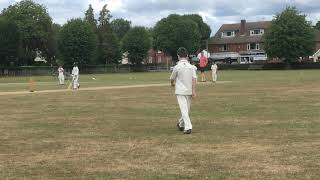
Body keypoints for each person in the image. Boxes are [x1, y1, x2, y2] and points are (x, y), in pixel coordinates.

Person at [170, 47, 197, 135]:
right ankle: (181, 124)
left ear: (178, 56)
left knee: (185, 110)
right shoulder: (192, 67)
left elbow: (172, 78)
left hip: (180, 91)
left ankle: (188, 127)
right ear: (187, 56)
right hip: (188, 91)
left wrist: (172, 83)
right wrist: (193, 91)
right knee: (186, 110)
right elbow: (194, 80)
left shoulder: (177, 67)